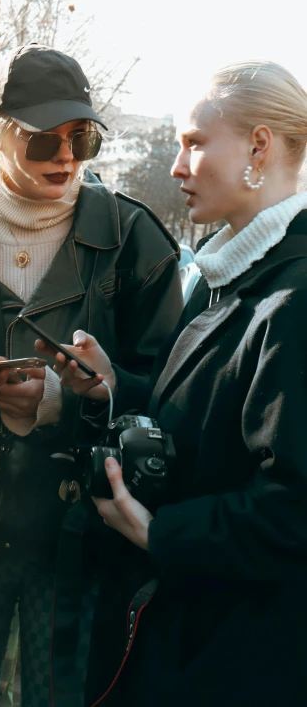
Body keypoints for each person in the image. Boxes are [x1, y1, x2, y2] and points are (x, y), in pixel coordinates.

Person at [0, 43, 183, 707]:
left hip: (83, 537)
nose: (67, 156)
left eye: (83, 137)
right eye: (45, 142)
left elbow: (176, 402)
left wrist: (76, 397)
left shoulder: (134, 240)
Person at [49, 61, 307, 707]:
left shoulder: (294, 297)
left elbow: (293, 508)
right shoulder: (228, 271)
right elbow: (208, 421)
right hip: (187, 633)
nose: (176, 165)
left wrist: (158, 532)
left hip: (239, 656)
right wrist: (115, 389)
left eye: (194, 142)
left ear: (259, 145)